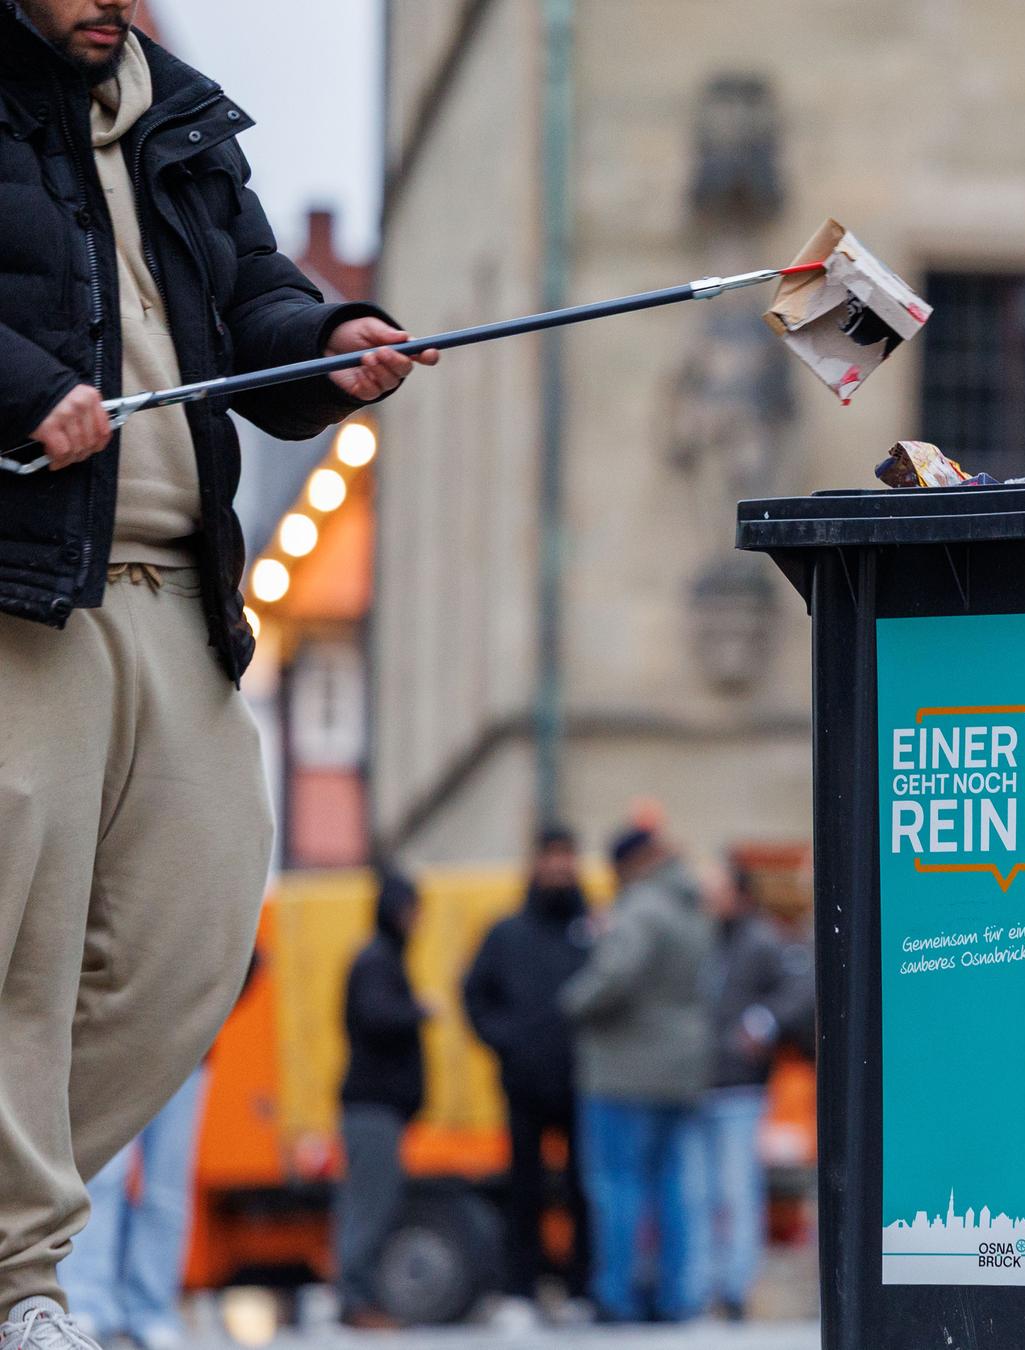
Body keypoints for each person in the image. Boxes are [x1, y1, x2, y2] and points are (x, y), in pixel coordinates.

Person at [0, 4, 434, 1346]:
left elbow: (254, 301)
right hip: (28, 587)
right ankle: (21, 1280)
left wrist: (334, 342)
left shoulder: (179, 115)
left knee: (195, 934)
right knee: (21, 947)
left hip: (177, 592)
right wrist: (19, 389)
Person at [560, 828, 711, 1325]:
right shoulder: (691, 908)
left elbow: (615, 974)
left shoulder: (641, 908)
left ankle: (618, 1296)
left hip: (625, 1069)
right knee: (671, 1186)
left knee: (617, 1185)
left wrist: (572, 1001)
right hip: (680, 1070)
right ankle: (675, 1296)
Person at [463, 826, 596, 1311]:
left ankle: (582, 1290)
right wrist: (508, 1043)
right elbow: (474, 995)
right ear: (536, 863)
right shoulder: (507, 934)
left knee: (586, 1191)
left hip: (584, 1084)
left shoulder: (594, 930)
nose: (559, 866)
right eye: (551, 856)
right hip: (524, 1085)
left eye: (566, 856)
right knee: (523, 1191)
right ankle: (521, 1291)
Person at [693, 862, 813, 1320]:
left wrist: (764, 1021)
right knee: (703, 1192)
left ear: (739, 893)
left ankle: (736, 1287)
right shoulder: (706, 938)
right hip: (698, 1083)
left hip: (740, 1084)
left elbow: (801, 987)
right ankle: (707, 1284)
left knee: (735, 1188)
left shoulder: (762, 939)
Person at [334, 872, 429, 1329]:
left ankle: (360, 1298)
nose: (417, 920)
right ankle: (357, 1301)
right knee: (370, 1206)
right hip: (372, 1108)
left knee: (372, 1203)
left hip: (378, 1110)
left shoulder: (382, 958)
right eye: (411, 909)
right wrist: (417, 1010)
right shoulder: (376, 961)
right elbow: (375, 1016)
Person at [56, 1069, 206, 1350]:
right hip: (114, 1045)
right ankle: (86, 1304)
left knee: (165, 1186)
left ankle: (152, 1311)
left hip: (187, 1053)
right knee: (102, 1173)